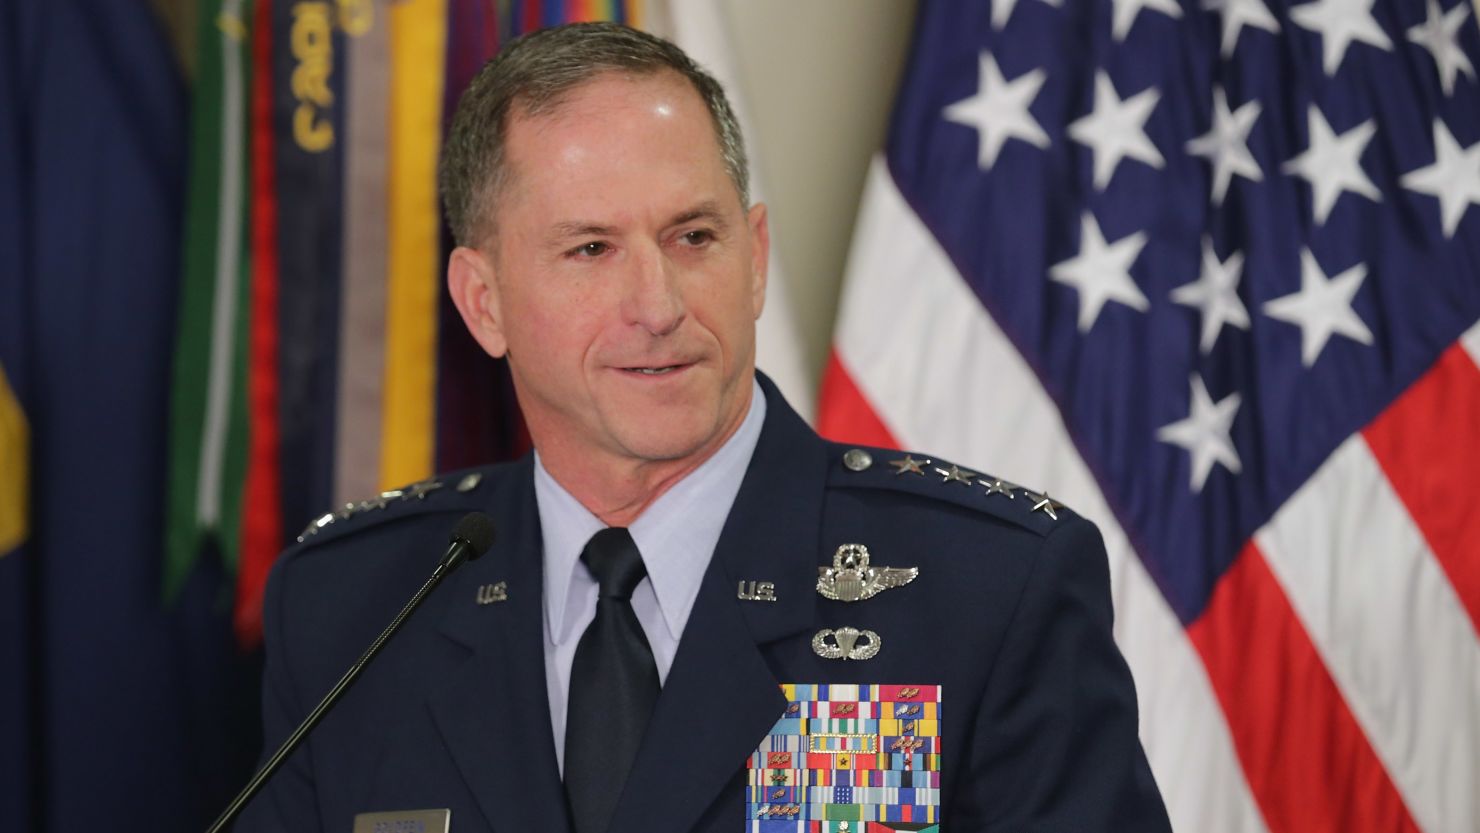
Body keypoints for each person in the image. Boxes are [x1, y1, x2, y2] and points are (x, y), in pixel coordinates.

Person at [239, 22, 1171, 833]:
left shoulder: (987, 590)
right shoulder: (353, 608)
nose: (658, 304)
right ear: (483, 303)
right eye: (591, 249)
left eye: (694, 238)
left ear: (754, 257)